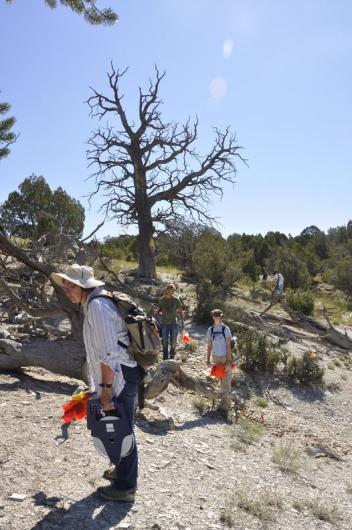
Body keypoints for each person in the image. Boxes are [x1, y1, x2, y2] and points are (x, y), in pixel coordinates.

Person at [51, 264, 141, 503]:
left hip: (119, 376)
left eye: (71, 285)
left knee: (123, 429)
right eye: (65, 285)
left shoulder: (98, 307)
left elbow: (109, 354)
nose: (67, 290)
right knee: (118, 425)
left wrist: (106, 391)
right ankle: (122, 471)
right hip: (120, 374)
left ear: (83, 285)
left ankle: (126, 487)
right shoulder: (94, 303)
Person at [206, 309, 233, 414]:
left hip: (224, 357)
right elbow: (209, 346)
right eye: (216, 316)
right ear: (213, 317)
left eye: (219, 317)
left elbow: (228, 346)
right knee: (220, 380)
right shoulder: (210, 330)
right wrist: (208, 359)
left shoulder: (225, 329)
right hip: (216, 358)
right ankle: (222, 405)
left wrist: (229, 360)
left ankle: (225, 407)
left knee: (226, 381)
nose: (218, 318)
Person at [157, 284, 185, 360]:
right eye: (170, 290)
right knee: (165, 341)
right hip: (164, 323)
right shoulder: (161, 300)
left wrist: (182, 321)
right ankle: (165, 359)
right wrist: (158, 312)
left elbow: (180, 311)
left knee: (174, 341)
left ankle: (172, 357)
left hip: (173, 323)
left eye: (173, 290)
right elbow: (159, 310)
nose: (171, 292)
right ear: (167, 290)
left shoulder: (176, 300)